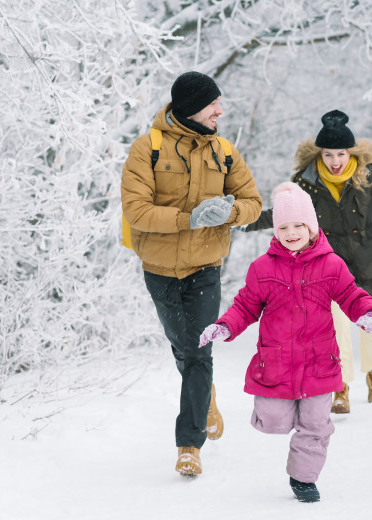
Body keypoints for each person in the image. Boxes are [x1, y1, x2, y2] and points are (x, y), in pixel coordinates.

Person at [244, 109, 372, 414]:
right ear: (320, 154)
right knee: (335, 330)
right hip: (326, 267)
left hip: (367, 261)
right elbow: (281, 215)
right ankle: (340, 387)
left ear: (350, 152)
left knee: (370, 325)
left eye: (340, 153)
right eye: (328, 154)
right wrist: (242, 220)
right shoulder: (306, 184)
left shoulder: (369, 177)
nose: (335, 161)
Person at [198, 182, 372, 502]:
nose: (291, 232)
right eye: (283, 226)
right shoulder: (263, 268)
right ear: (275, 230)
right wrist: (224, 327)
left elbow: (351, 295)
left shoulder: (331, 265)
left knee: (315, 423)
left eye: (299, 225)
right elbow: (245, 306)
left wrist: (368, 313)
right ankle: (287, 426)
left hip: (319, 362)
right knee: (272, 418)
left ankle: (303, 479)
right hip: (276, 363)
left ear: (312, 227)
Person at [121, 71, 263, 476]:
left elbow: (253, 201)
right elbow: (138, 211)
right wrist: (190, 218)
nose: (220, 110)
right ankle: (205, 398)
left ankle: (189, 444)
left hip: (205, 268)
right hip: (160, 270)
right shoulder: (145, 149)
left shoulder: (224, 151)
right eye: (212, 104)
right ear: (190, 108)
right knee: (184, 350)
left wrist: (230, 212)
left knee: (199, 350)